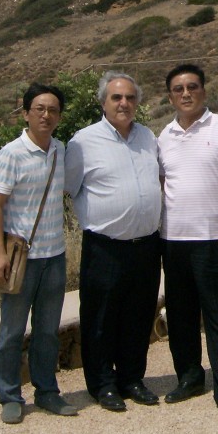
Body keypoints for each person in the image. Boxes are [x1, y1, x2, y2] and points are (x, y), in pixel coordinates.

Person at [63, 71, 162, 413]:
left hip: (146, 246)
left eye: (130, 97)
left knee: (138, 316)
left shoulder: (148, 137)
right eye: (117, 97)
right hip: (104, 247)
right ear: (103, 102)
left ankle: (132, 379)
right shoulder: (82, 142)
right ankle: (103, 385)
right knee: (100, 319)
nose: (124, 103)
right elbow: (70, 188)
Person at [157, 63, 218, 424]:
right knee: (180, 317)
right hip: (173, 240)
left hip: (214, 238)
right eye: (178, 88)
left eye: (192, 86)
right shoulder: (162, 135)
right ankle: (190, 378)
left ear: (204, 91)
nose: (185, 93)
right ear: (170, 96)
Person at [0, 82, 75, 424]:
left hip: (54, 256)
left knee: (47, 330)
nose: (46, 115)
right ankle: (9, 395)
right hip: (20, 258)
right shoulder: (11, 153)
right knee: (11, 330)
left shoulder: (59, 149)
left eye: (53, 110)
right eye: (39, 109)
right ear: (25, 113)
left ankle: (47, 392)